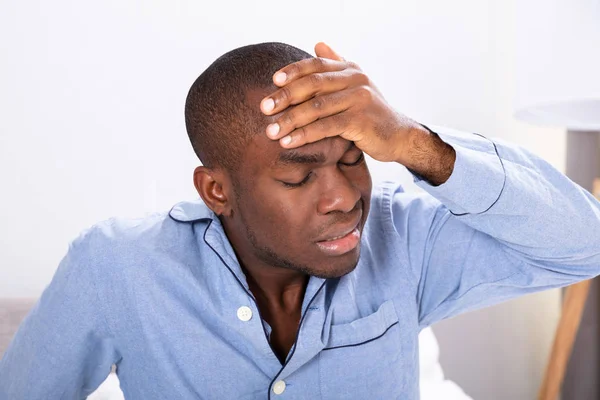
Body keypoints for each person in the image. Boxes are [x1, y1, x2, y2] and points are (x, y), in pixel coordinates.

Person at [1, 41, 599, 400]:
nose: (342, 196)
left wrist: (415, 143)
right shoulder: (118, 268)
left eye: (353, 159)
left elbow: (584, 245)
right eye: (297, 176)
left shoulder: (407, 239)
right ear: (216, 190)